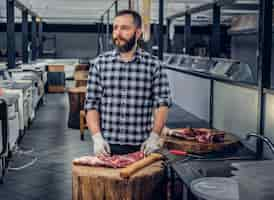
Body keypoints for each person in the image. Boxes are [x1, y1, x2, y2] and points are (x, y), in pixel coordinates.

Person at [85, 9, 172, 156]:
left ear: (138, 33)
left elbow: (162, 104)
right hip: (107, 147)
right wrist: (97, 138)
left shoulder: (154, 65)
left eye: (124, 28)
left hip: (143, 146)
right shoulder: (99, 63)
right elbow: (91, 104)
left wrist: (154, 136)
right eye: (115, 28)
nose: (118, 33)